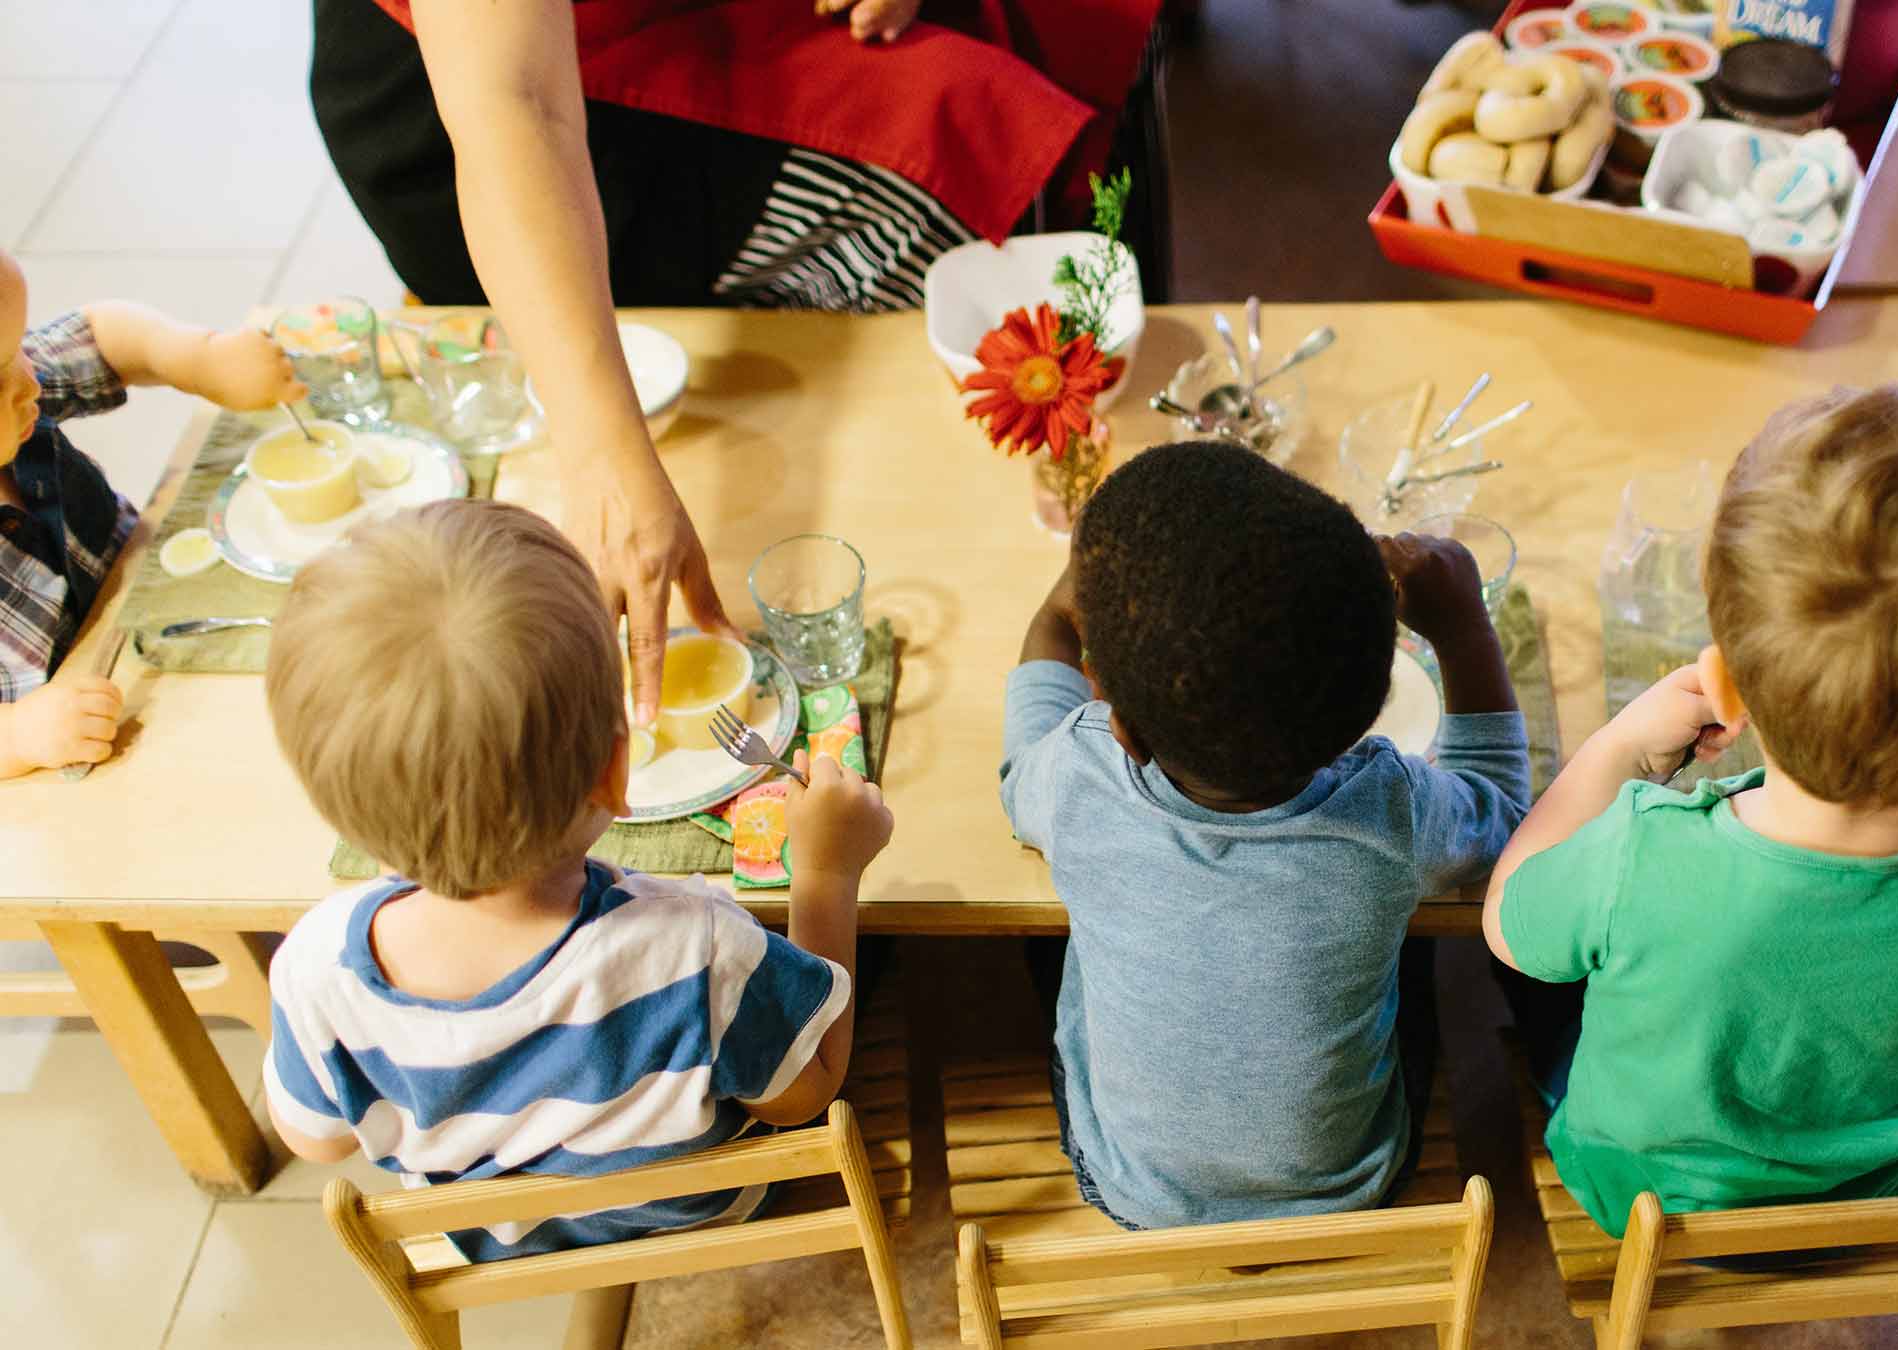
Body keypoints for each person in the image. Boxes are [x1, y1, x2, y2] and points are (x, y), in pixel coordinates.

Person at [310, 0, 1167, 726]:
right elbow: (516, 106)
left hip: (688, 23)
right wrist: (606, 462)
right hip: (507, 105)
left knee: (1001, 101)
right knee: (953, 138)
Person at [1484, 385, 1898, 1254]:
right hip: (1878, 1194)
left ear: (1723, 684)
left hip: (1652, 1207)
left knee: (1536, 973)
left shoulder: (1639, 853)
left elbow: (1507, 922)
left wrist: (1610, 749)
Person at [258, 500, 894, 1260]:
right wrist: (826, 871)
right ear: (617, 770)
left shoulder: (315, 966)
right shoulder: (696, 949)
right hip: (701, 1214)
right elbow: (811, 1089)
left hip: (489, 1243)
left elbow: (314, 1139)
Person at [999, 442, 1531, 1229]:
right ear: (1365, 713)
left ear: (1122, 728)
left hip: (1136, 1192)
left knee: (1046, 946)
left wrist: (1054, 612)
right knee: (1421, 950)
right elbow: (1499, 816)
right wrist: (1461, 630)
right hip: (1350, 1184)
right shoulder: (1393, 807)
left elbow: (1019, 779)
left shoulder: (1078, 771)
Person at [0, 249, 300, 779]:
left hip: (153, 612)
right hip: (80, 751)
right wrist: (19, 738)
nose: (32, 380)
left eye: (15, 350)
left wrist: (195, 358)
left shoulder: (19, 391)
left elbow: (101, 336)